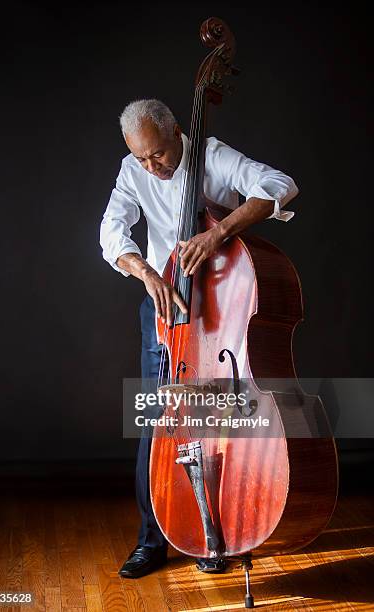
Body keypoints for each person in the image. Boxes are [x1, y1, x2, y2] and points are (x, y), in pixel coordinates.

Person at [99, 98, 299, 578]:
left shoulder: (212, 155)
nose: (152, 167)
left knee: (229, 421)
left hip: (223, 299)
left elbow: (280, 185)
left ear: (175, 133)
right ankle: (153, 539)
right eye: (142, 158)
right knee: (156, 420)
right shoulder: (134, 168)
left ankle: (229, 526)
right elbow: (110, 231)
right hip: (166, 306)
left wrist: (220, 232)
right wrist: (146, 272)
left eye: (159, 155)